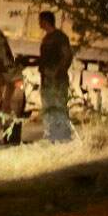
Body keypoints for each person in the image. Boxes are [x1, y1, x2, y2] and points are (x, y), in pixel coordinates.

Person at [38, 10, 74, 143]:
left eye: (40, 21)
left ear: (46, 21)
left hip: (57, 80)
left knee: (59, 106)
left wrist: (58, 71)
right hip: (47, 79)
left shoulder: (59, 37)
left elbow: (67, 56)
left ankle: (63, 136)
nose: (39, 24)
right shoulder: (47, 38)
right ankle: (51, 136)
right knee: (48, 107)